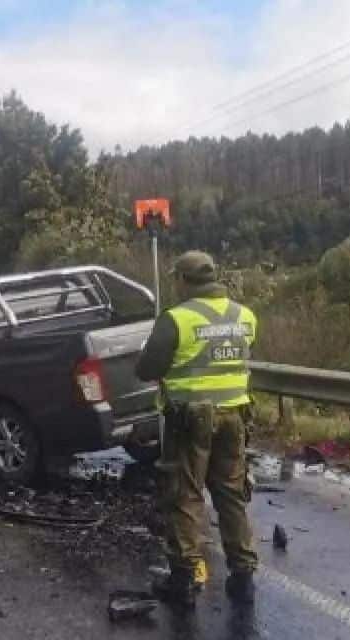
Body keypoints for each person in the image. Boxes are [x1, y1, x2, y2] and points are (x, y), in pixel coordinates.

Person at [135, 250, 259, 608]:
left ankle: (185, 577)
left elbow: (147, 369)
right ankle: (243, 575)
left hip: (190, 420)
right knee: (231, 493)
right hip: (235, 416)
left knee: (185, 495)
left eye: (176, 279)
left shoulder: (176, 319)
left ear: (184, 281)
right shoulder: (245, 316)